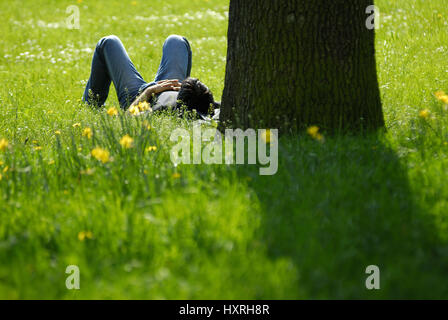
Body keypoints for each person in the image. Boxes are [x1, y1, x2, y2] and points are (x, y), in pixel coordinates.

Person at [82, 35, 220, 119]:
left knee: (108, 42)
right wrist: (185, 88)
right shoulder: (210, 106)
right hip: (170, 84)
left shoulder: (161, 111)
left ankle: (92, 103)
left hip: (140, 96)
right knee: (177, 40)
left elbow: (128, 117)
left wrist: (149, 91)